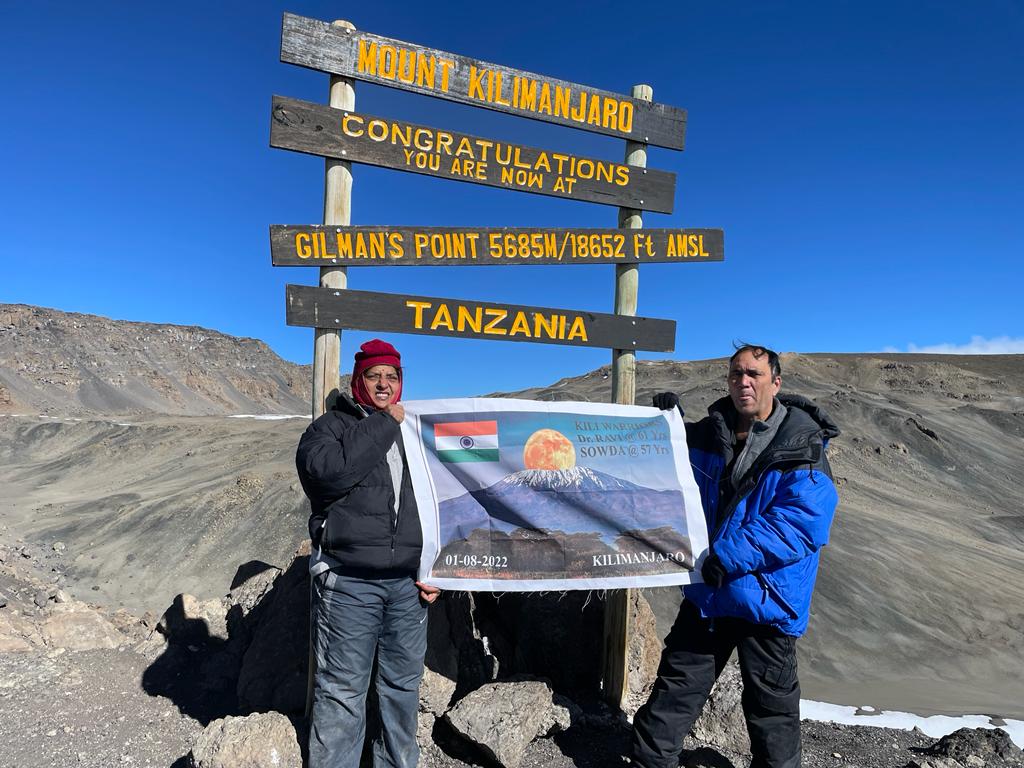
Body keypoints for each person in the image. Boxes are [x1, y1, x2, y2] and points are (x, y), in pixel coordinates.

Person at [632, 344, 840, 768]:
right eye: (735, 374)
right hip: (711, 592)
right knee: (676, 688)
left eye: (753, 374)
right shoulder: (711, 433)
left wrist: (727, 556)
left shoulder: (802, 445)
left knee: (771, 710)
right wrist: (666, 425)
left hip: (766, 597)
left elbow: (802, 521)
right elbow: (665, 470)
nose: (742, 382)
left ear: (775, 383)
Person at [295, 338, 440, 768]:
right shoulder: (330, 428)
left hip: (407, 587)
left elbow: (442, 503)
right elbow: (327, 475)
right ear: (358, 381)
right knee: (342, 690)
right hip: (349, 584)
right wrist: (384, 423)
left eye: (392, 377)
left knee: (402, 689)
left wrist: (438, 567)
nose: (383, 384)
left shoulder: (414, 431)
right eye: (374, 376)